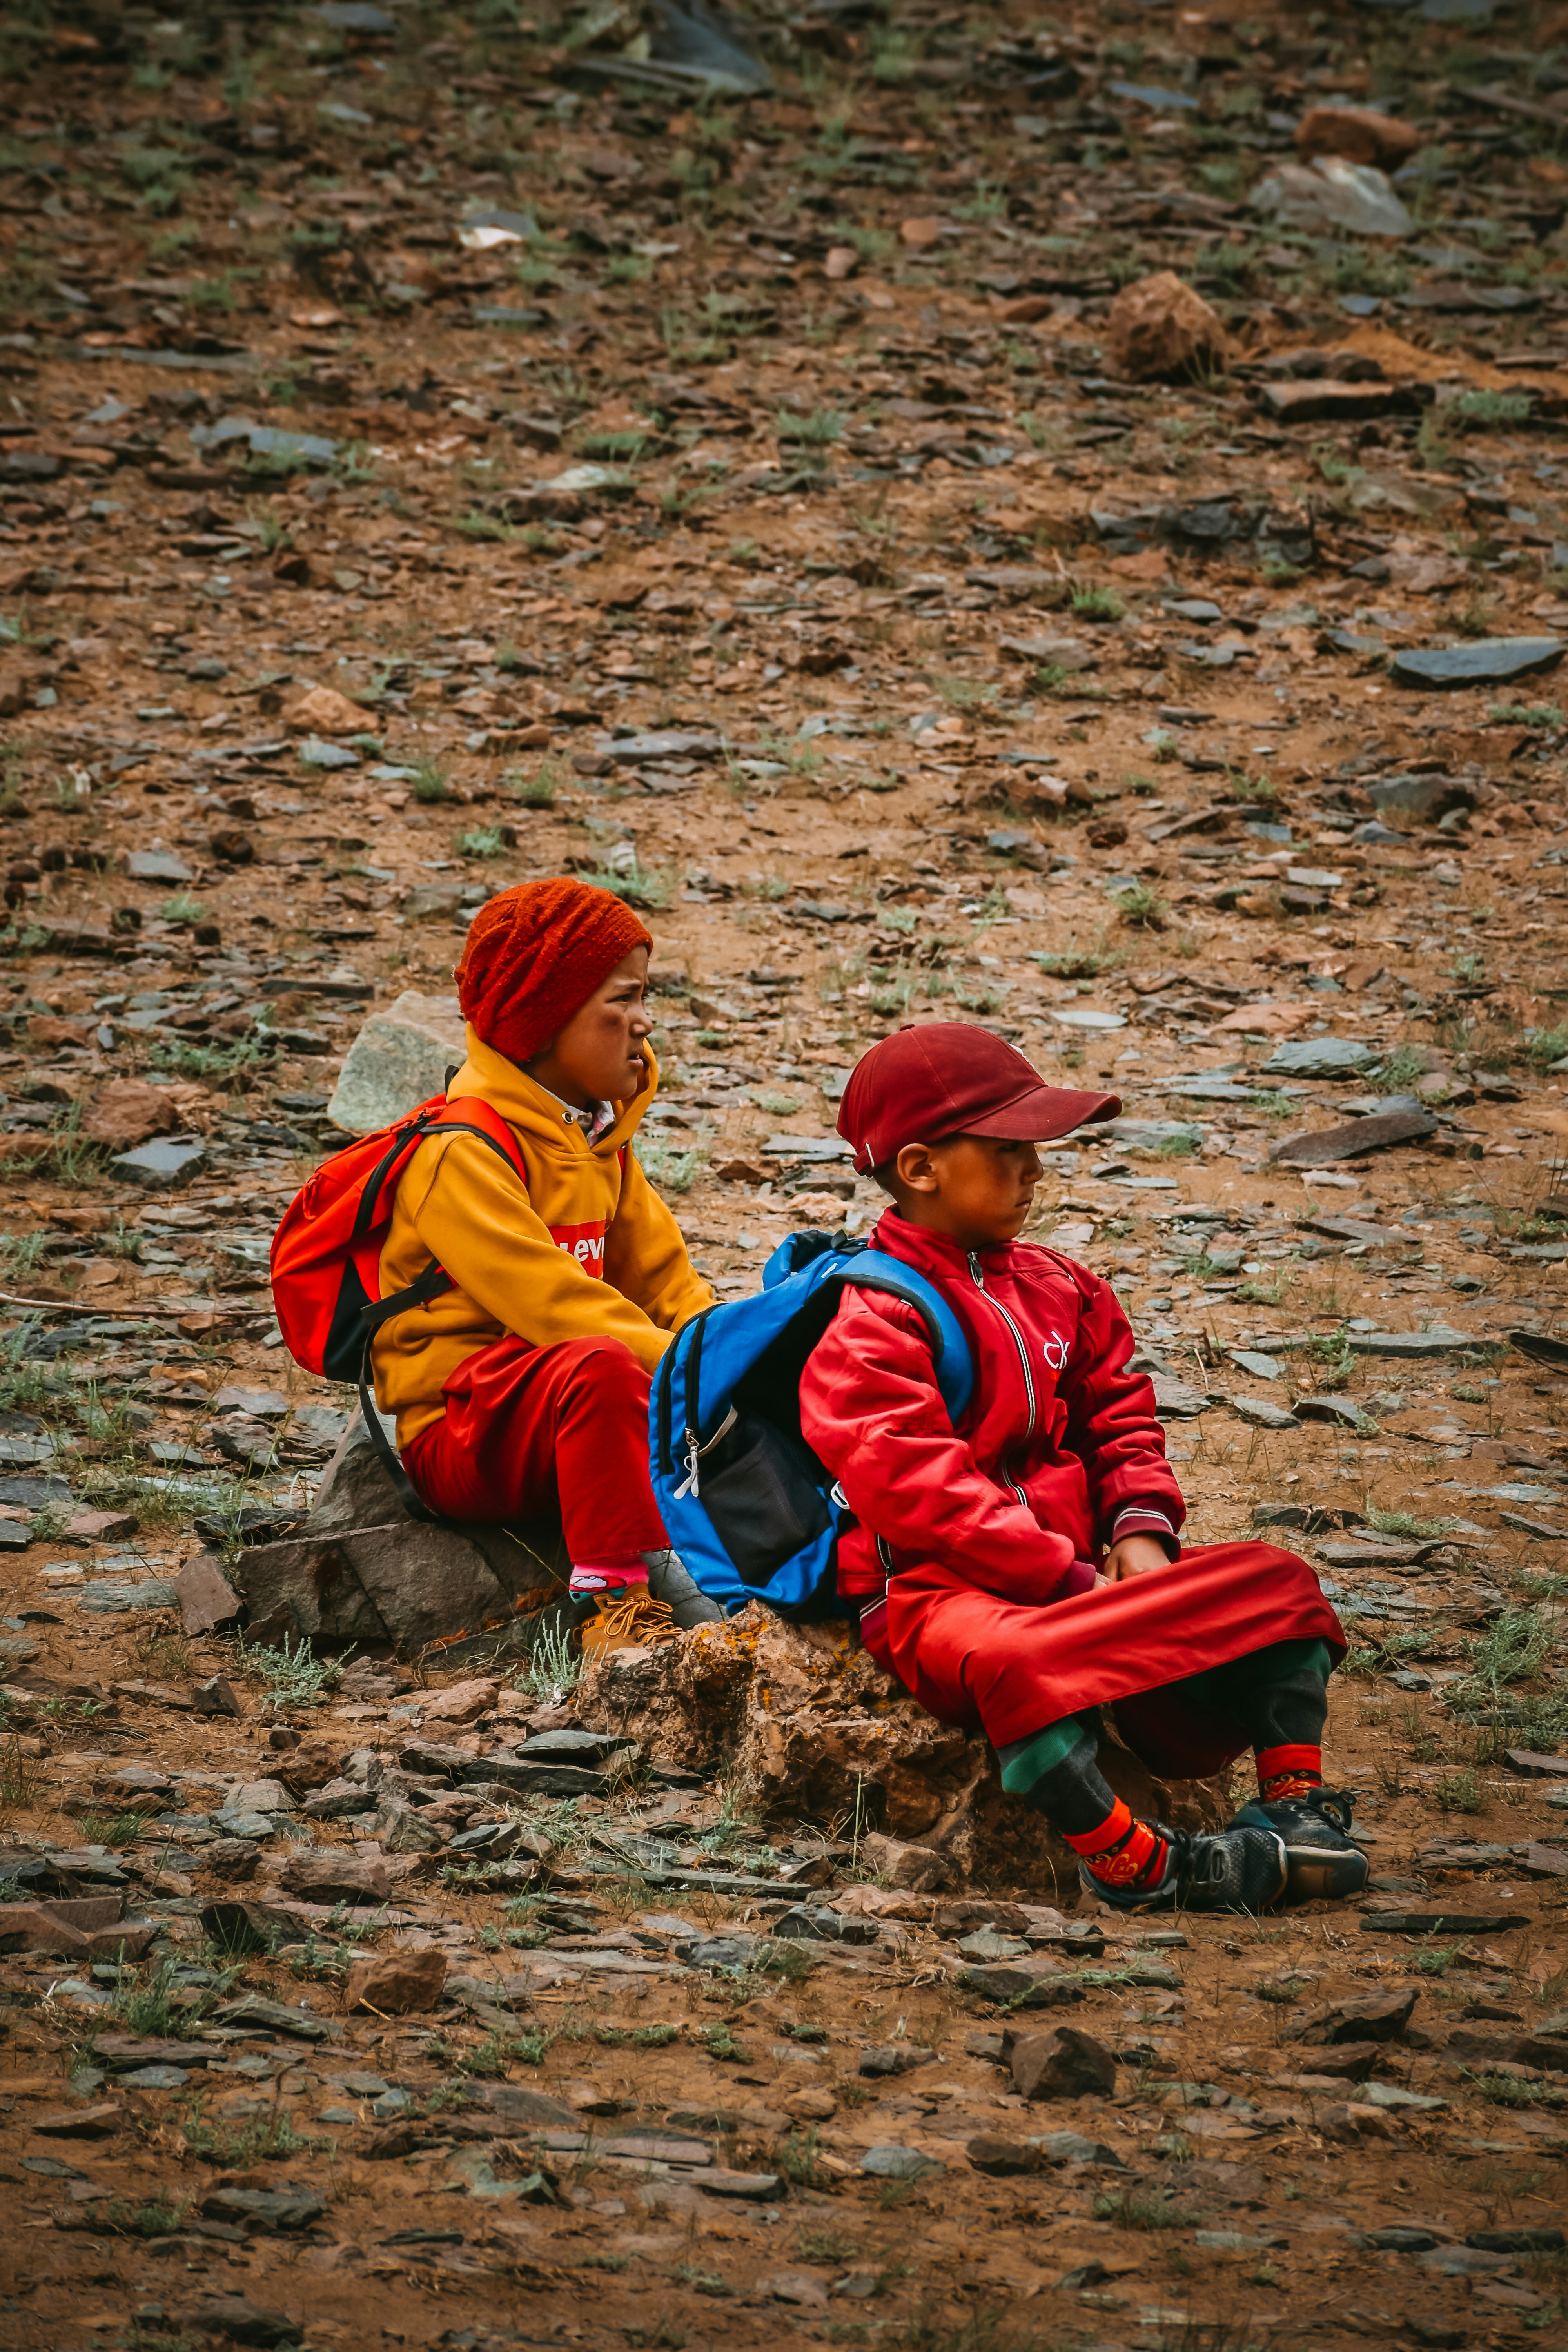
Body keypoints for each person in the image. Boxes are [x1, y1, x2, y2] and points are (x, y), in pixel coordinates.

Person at [796, 1022, 1363, 1914]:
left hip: (1087, 1584)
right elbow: (924, 1497)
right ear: (917, 1168)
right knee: (1008, 1663)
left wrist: (1141, 1535)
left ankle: (1295, 1809)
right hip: (938, 1599)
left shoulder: (1065, 1286)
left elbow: (1121, 1421)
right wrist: (1063, 1580)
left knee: (1278, 1582)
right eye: (1006, 1150)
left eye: (1035, 1150)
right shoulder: (868, 1326)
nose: (1033, 1171)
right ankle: (1134, 1863)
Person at [371, 877, 720, 1656]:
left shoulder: (597, 1142)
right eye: (622, 1000)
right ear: (546, 1018)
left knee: (697, 1368)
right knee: (598, 1364)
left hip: (558, 1412)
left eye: (645, 997)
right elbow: (556, 1306)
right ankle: (621, 1604)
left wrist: (728, 1357)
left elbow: (665, 1282)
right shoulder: (459, 1153)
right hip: (460, 1434)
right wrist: (694, 1373)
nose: (644, 1022)